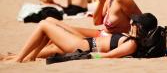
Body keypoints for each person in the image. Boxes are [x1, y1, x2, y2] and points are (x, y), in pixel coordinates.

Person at [0, 13, 158, 62]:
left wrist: (85, 56)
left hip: (83, 47)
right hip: (86, 42)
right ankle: (28, 57)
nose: (131, 23)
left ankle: (17, 59)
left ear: (141, 28)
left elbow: (109, 56)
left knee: (43, 24)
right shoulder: (131, 39)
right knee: (50, 21)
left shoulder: (131, 45)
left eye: (134, 22)